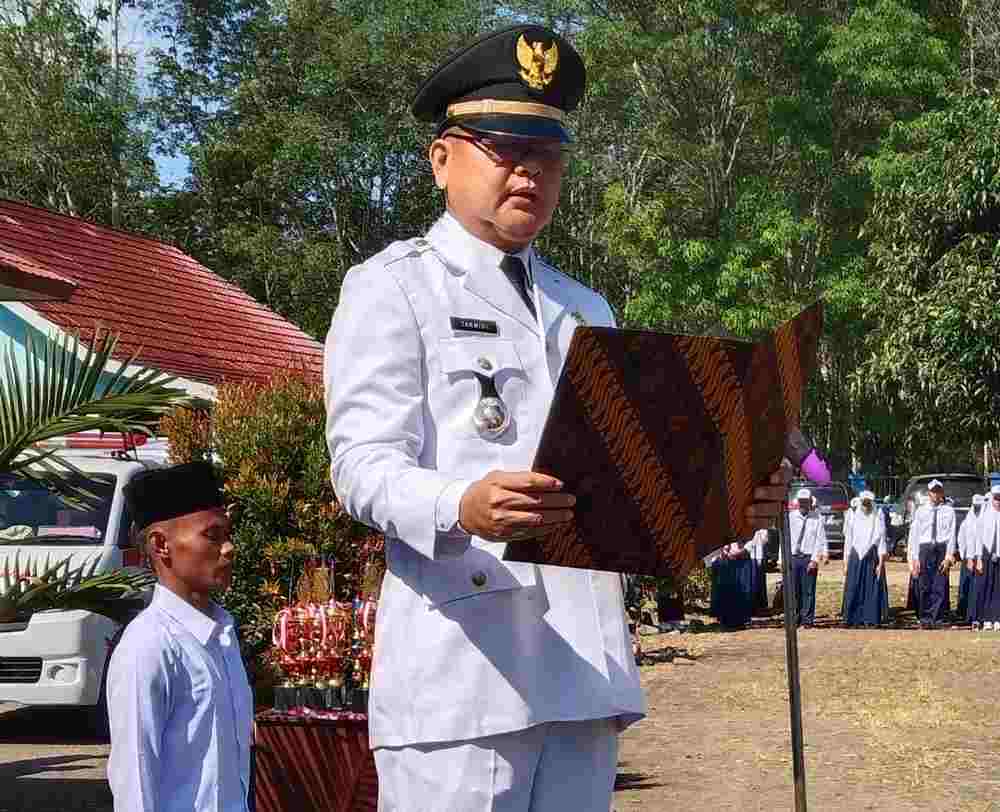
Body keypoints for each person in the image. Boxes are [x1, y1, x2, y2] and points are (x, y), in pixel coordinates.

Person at [322, 23, 792, 811]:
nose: (529, 171)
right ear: (443, 159)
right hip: (462, 673)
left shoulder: (584, 308)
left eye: (546, 152)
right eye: (504, 147)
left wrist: (728, 503)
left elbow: (633, 487)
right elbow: (361, 465)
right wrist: (459, 504)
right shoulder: (393, 288)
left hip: (581, 668)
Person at [106, 462, 253, 812]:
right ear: (161, 546)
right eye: (212, 536)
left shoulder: (222, 636)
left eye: (228, 534)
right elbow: (134, 781)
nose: (229, 548)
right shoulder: (148, 646)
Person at [907, 479, 956, 628]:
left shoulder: (948, 511)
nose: (936, 494)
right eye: (933, 491)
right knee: (925, 585)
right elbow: (914, 535)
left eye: (938, 491)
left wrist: (949, 556)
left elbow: (951, 535)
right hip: (925, 549)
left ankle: (938, 618)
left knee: (939, 585)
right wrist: (914, 558)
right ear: (929, 493)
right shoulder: (921, 511)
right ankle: (925, 618)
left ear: (942, 492)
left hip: (940, 549)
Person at [840, 491, 888, 627]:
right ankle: (852, 618)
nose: (866, 506)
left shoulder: (878, 515)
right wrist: (845, 561)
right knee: (853, 587)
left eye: (868, 503)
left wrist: (881, 563)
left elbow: (881, 539)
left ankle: (870, 618)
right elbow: (848, 539)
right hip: (855, 554)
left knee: (870, 589)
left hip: (871, 555)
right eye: (864, 502)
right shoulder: (852, 515)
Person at [786, 488, 828, 627]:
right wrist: (782, 559)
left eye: (806, 501)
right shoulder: (791, 517)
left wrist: (815, 560)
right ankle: (795, 618)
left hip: (808, 557)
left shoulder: (817, 518)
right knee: (794, 590)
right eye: (802, 501)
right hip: (793, 557)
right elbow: (785, 539)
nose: (804, 504)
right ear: (798, 502)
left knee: (808, 590)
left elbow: (819, 540)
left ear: (810, 502)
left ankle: (807, 619)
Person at [973, 485, 1000, 631]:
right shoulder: (985, 514)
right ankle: (986, 619)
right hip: (986, 554)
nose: (998, 502)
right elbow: (978, 538)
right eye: (996, 498)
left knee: (998, 588)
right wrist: (978, 558)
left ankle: (997, 618)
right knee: (986, 586)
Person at [957, 493, 983, 623]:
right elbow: (961, 540)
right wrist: (965, 557)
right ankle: (965, 614)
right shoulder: (967, 521)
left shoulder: (985, 519)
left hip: (980, 559)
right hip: (968, 559)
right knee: (967, 588)